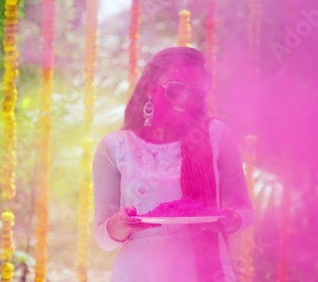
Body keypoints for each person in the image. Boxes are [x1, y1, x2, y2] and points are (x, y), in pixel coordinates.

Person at [93, 46, 253, 282]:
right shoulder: (116, 146)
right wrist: (120, 224)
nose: (186, 99)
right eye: (176, 89)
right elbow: (103, 238)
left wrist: (232, 220)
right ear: (150, 87)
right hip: (139, 274)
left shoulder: (215, 135)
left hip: (204, 273)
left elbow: (245, 212)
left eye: (196, 93)